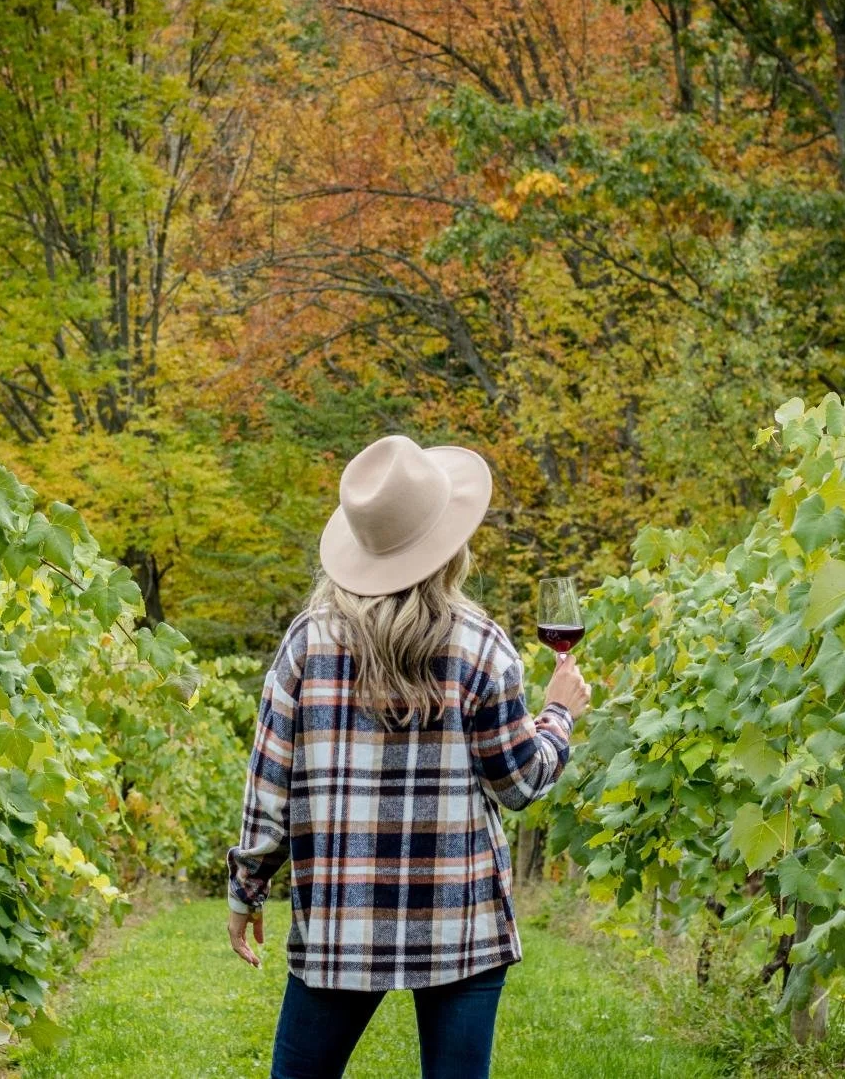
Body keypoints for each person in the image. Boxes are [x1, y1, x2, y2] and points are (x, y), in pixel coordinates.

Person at [225, 434, 593, 1079]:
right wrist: (559, 714)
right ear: (450, 542)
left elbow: (270, 787)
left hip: (343, 920)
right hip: (461, 919)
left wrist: (246, 890)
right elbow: (520, 782)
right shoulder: (481, 645)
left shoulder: (307, 641)